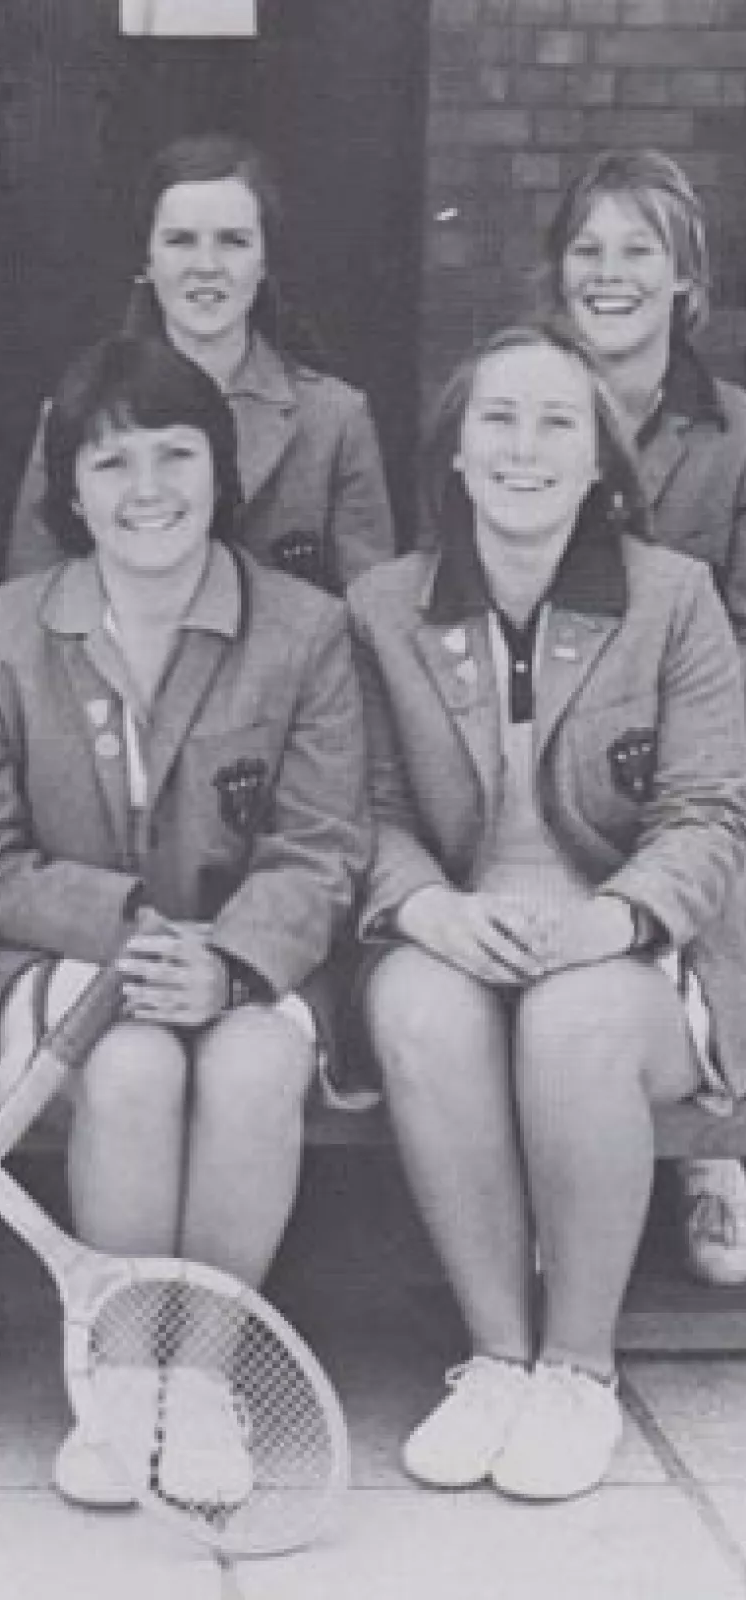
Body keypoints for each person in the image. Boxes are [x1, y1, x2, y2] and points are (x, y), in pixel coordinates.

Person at [0, 335, 368, 1509]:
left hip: (242, 961)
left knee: (248, 1070)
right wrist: (126, 927)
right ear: (68, 486)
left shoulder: (306, 629)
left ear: (223, 474)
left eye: (177, 455)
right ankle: (120, 1377)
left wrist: (229, 960)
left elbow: (322, 845)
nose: (148, 489)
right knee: (124, 1066)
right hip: (58, 961)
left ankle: (204, 1372)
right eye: (111, 461)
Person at [350, 322, 746, 1503]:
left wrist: (613, 918)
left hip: (631, 946)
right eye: (497, 421)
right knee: (416, 1011)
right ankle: (496, 1358)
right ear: (455, 456)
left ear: (599, 467)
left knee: (573, 1021)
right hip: (459, 921)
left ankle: (578, 1366)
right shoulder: (379, 604)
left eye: (556, 423)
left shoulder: (672, 598)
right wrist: (421, 905)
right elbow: (357, 807)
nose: (524, 447)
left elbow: (706, 814)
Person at [539, 149, 746, 1288]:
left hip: (699, 738)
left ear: (684, 279)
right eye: (586, 249)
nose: (607, 274)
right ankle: (542, 1166)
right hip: (544, 742)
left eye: (638, 252)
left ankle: (714, 1150)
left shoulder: (735, 432)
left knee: (717, 841)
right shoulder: (516, 407)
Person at [7, 131, 395, 594]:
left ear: (264, 259)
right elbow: (30, 604)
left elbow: (370, 614)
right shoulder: (76, 415)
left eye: (233, 241)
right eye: (180, 241)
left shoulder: (334, 421)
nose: (206, 265)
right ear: (147, 260)